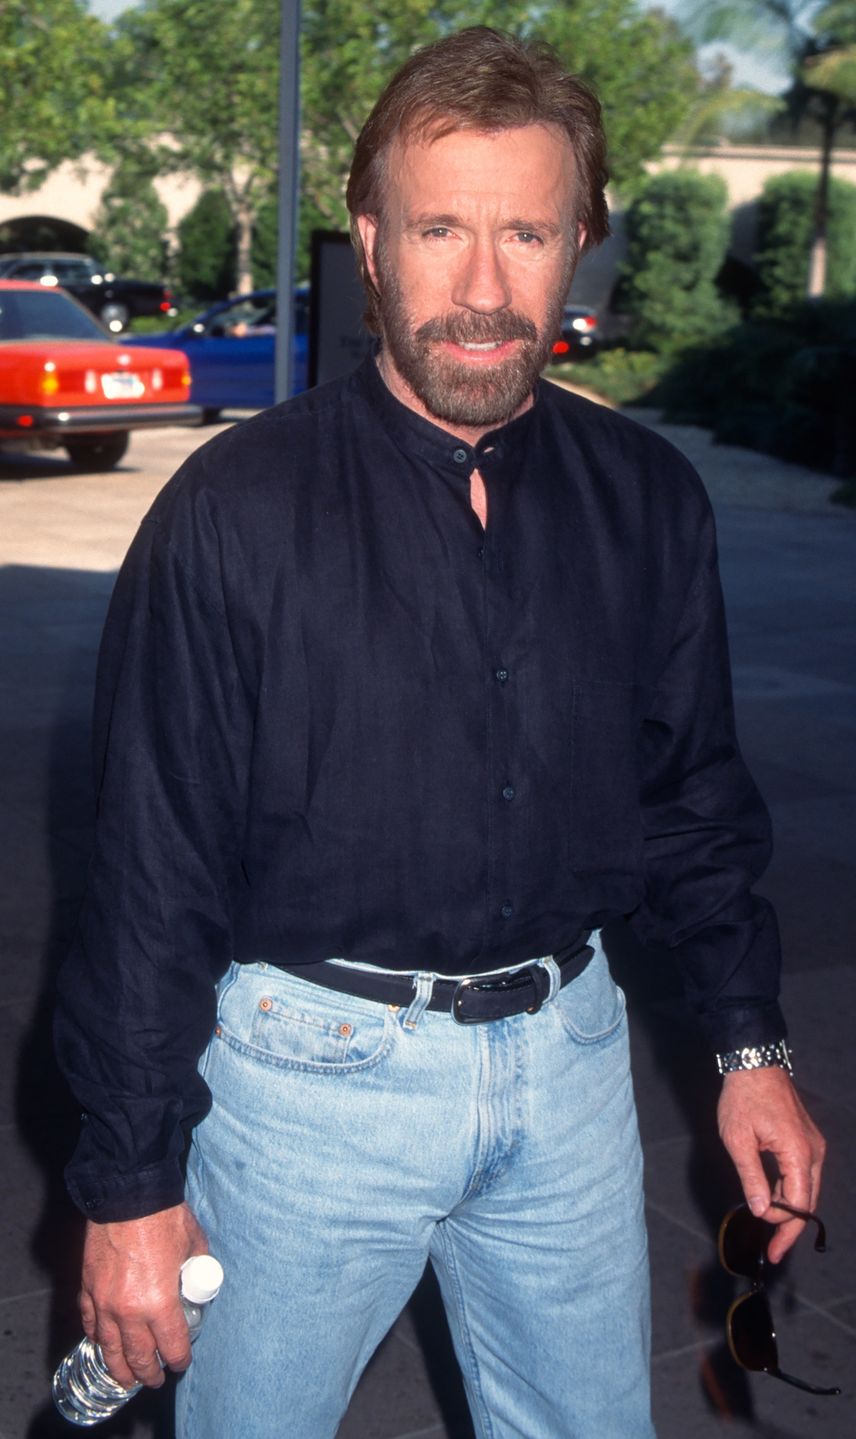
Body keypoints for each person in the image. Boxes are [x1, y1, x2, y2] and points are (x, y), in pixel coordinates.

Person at [54, 26, 825, 1439]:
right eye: (439, 230)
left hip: (573, 1068)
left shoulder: (651, 501)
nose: (481, 290)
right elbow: (147, 881)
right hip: (304, 1090)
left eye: (527, 230)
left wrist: (746, 1047)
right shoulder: (232, 515)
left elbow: (692, 798)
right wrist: (128, 1188)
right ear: (369, 238)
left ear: (580, 238)